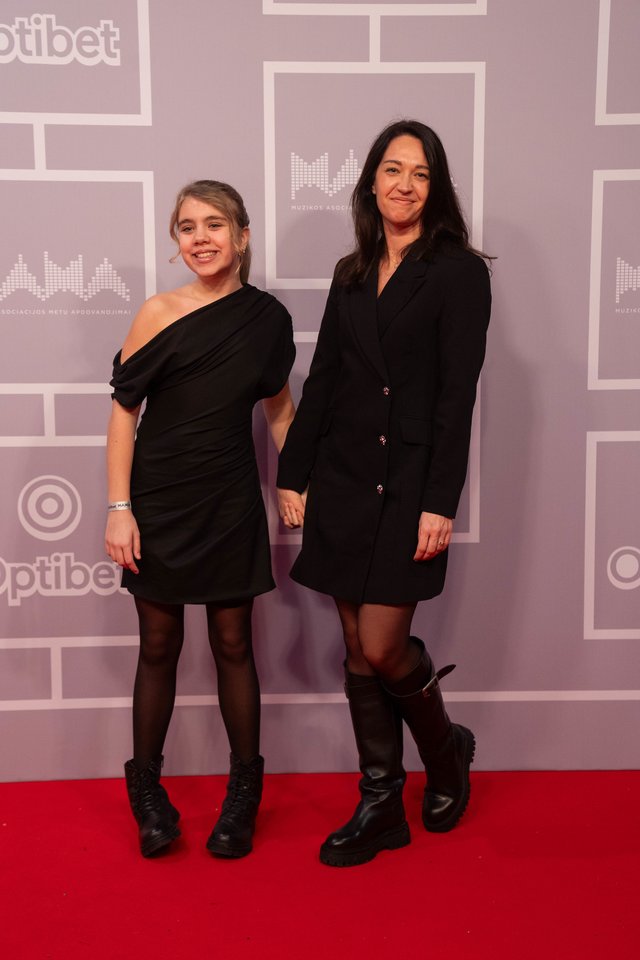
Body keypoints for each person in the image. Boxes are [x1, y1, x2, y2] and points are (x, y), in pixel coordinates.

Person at [277, 120, 491, 867]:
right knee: (356, 650)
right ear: (371, 181)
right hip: (342, 478)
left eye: (421, 173)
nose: (405, 184)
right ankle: (380, 802)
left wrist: (441, 501)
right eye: (393, 169)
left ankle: (446, 752)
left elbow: (456, 396)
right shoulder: (352, 271)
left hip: (407, 484)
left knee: (381, 645)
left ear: (437, 188)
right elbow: (326, 378)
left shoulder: (459, 273)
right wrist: (294, 472)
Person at [105, 180, 296, 859]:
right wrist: (120, 509)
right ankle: (147, 796)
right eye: (187, 227)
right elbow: (123, 415)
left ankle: (243, 796)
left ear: (242, 235)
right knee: (157, 646)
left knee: (233, 644)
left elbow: (279, 408)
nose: (201, 238)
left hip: (229, 501)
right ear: (176, 242)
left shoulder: (267, 319)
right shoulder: (157, 313)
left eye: (214, 224)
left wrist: (295, 481)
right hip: (159, 501)